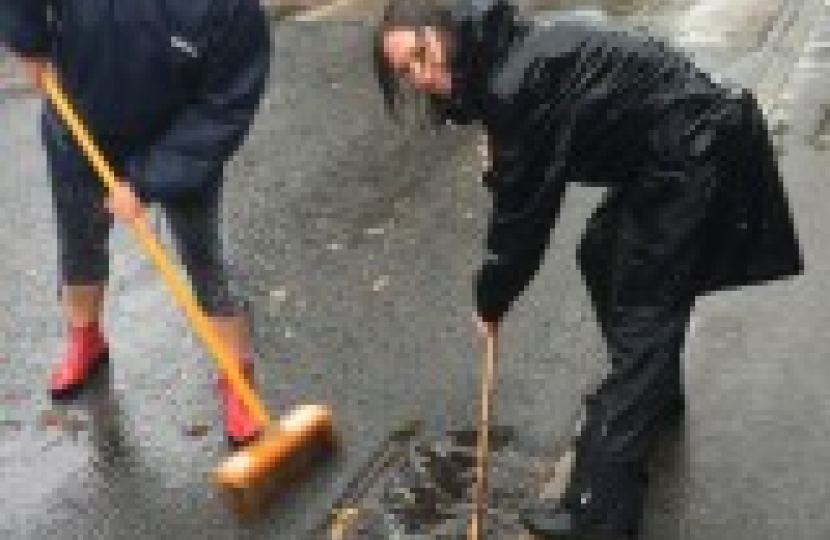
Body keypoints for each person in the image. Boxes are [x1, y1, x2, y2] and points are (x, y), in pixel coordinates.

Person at [373, 0, 803, 538]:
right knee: (601, 253)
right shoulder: (505, 58)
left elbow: (523, 216)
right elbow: (532, 167)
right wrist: (504, 163)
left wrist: (492, 298)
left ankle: (600, 516)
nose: (422, 77)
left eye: (422, 55)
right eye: (406, 72)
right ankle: (653, 387)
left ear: (449, 32)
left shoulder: (514, 78)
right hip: (670, 153)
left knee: (644, 310)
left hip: (697, 153)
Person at [0, 0, 271, 447]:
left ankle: (236, 375)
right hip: (79, 122)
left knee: (204, 261)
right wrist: (28, 42)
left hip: (179, 140)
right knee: (79, 245)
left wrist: (149, 180)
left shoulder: (231, 11)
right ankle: (85, 338)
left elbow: (225, 107)